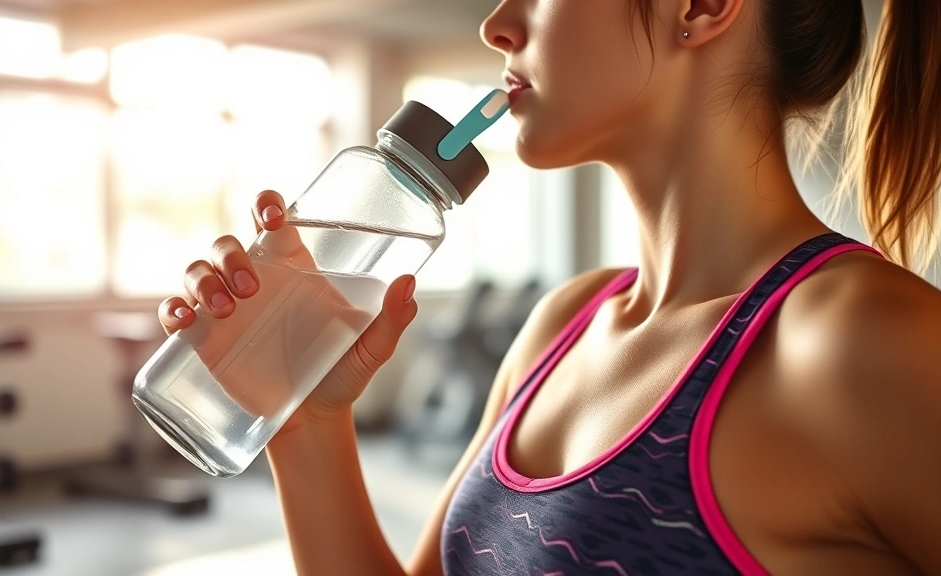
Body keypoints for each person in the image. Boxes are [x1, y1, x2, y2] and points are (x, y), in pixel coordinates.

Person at [157, 0, 941, 574]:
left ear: (700, 8)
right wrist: (306, 421)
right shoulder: (563, 323)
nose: (497, 22)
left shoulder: (857, 342)